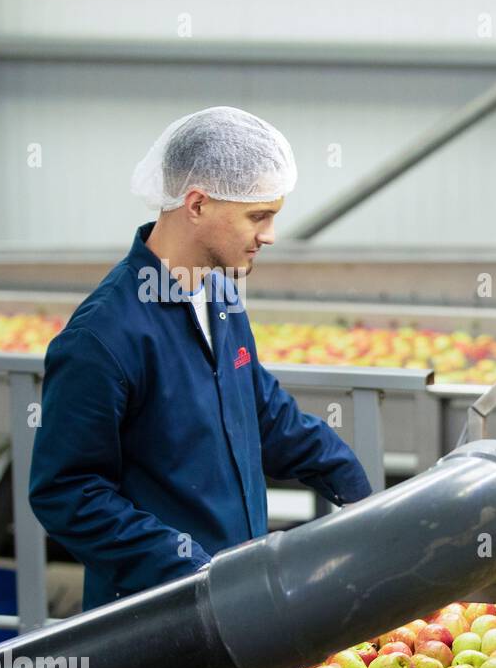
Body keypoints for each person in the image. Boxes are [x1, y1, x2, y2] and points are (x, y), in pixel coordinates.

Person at [30, 106, 372, 612]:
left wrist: (362, 493)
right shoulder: (104, 336)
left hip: (237, 606)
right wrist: (192, 569)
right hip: (158, 621)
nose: (270, 235)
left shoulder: (221, 296)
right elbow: (67, 493)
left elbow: (263, 413)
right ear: (196, 204)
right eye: (258, 216)